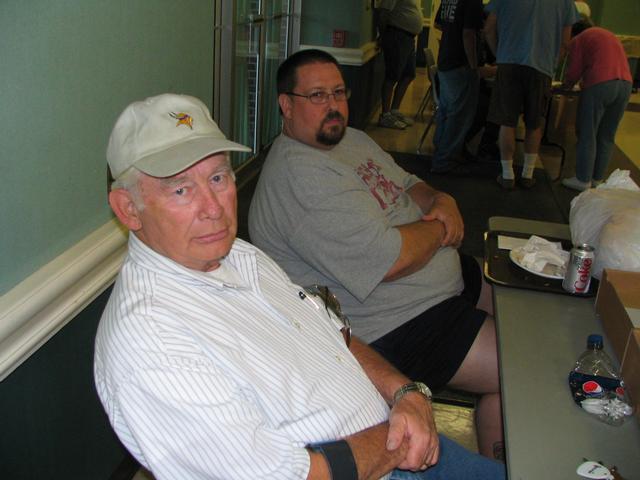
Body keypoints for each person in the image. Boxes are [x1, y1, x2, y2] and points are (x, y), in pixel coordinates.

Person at [94, 93, 505, 480]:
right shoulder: (151, 340)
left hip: (392, 433)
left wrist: (406, 393)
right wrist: (397, 445)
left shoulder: (239, 255)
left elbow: (332, 333)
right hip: (386, 458)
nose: (213, 208)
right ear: (129, 209)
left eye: (218, 177)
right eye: (181, 189)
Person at [248, 49, 504, 460]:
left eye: (338, 92)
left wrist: (440, 198)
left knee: (525, 312)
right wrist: (442, 225)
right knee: (516, 373)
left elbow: (407, 184)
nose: (333, 106)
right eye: (316, 96)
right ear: (286, 104)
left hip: (438, 283)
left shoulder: (351, 139)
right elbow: (391, 260)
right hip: (396, 323)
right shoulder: (300, 174)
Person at [484, 0, 579, 189]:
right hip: (541, 68)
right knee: (534, 123)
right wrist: (551, 66)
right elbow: (565, 42)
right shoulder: (565, 3)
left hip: (508, 63)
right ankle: (528, 174)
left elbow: (489, 28)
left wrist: (499, 55)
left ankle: (507, 174)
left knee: (507, 121)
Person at [560, 21, 633, 191]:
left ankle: (582, 179)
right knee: (607, 135)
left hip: (601, 84)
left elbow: (575, 68)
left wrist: (567, 84)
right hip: (625, 85)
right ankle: (597, 179)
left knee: (588, 132)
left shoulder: (580, 38)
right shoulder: (608, 34)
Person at [430, 0, 492, 175]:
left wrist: (451, 34)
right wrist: (474, 67)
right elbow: (468, 34)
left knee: (446, 112)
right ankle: (444, 160)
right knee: (459, 116)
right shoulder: (473, 2)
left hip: (445, 60)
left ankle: (441, 152)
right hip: (460, 64)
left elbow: (437, 23)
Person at [375, 0, 423, 129]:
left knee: (408, 75)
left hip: (408, 37)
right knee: (392, 76)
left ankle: (394, 110)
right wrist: (383, 36)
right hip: (397, 35)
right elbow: (383, 13)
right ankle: (385, 116)